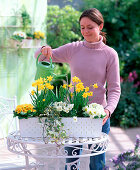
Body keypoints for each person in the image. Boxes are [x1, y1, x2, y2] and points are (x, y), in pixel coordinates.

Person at [35, 8, 121, 170]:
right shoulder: (73, 48)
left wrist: (108, 110)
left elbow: (115, 89)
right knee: (71, 162)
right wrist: (43, 49)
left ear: (100, 26)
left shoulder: (110, 54)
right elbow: (40, 57)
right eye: (82, 27)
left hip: (98, 117)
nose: (85, 31)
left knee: (97, 164)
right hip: (73, 116)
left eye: (90, 27)